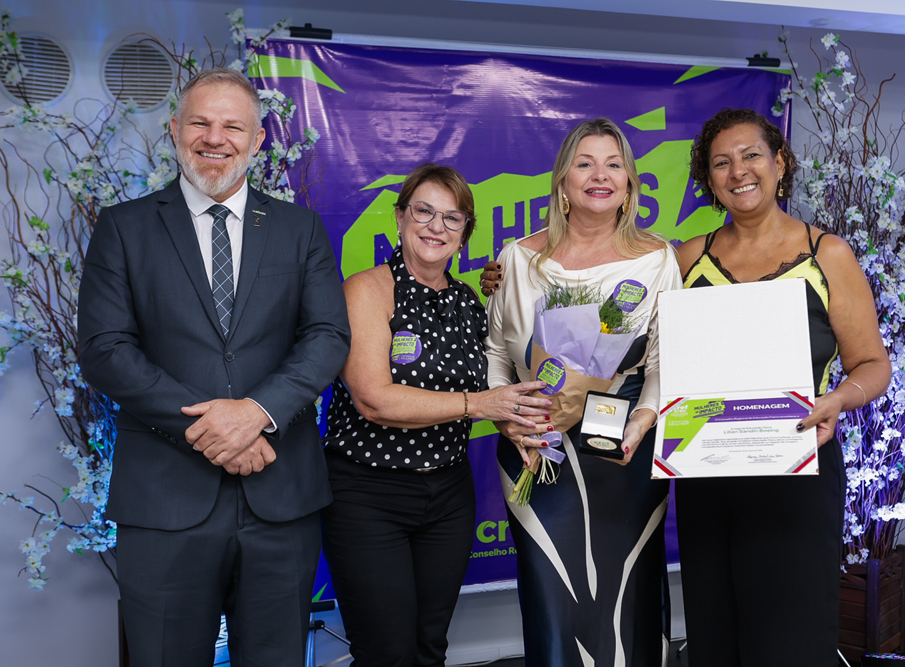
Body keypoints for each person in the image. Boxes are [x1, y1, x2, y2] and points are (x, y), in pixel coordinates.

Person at [78, 68, 351, 666]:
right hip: (164, 502)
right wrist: (214, 429)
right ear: (175, 129)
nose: (214, 138)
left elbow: (328, 336)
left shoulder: (300, 229)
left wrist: (257, 413)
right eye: (200, 122)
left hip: (281, 498)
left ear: (257, 141)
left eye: (233, 126)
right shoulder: (124, 228)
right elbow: (104, 349)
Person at [674, 108, 892, 667]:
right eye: (721, 163)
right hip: (707, 473)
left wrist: (838, 399)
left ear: (780, 163)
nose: (738, 172)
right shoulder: (687, 258)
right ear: (708, 178)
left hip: (798, 468)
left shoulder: (827, 255)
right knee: (714, 637)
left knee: (790, 640)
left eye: (751, 156)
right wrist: (513, 276)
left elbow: (872, 364)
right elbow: (627, 324)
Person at [321, 163, 550, 667]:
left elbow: (497, 381)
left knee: (430, 648)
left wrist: (522, 423)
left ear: (464, 233)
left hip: (448, 495)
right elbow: (373, 398)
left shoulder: (468, 302)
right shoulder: (367, 290)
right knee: (385, 653)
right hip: (368, 493)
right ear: (400, 217)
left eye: (452, 218)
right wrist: (480, 406)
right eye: (423, 212)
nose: (436, 227)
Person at [484, 118, 682, 666]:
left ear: (629, 183)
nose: (601, 175)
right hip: (535, 444)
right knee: (551, 590)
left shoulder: (658, 258)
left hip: (623, 450)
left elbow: (665, 359)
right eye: (585, 163)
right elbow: (496, 352)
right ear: (563, 182)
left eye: (614, 164)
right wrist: (508, 416)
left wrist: (643, 418)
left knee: (626, 589)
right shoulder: (517, 259)